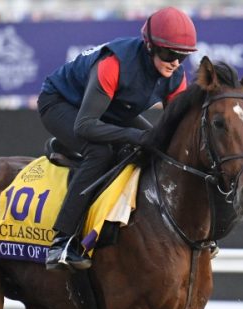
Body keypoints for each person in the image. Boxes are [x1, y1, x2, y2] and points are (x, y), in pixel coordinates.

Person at [37, 6, 198, 271]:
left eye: (182, 56)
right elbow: (86, 126)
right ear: (150, 46)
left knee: (156, 147)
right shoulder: (113, 64)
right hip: (61, 104)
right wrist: (136, 136)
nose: (175, 62)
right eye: (170, 53)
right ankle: (61, 242)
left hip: (110, 108)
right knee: (100, 152)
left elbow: (176, 131)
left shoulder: (176, 76)